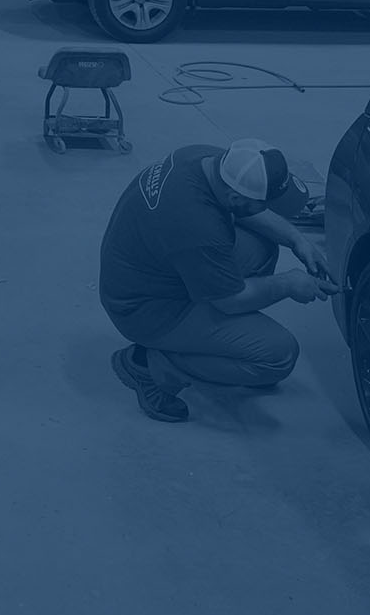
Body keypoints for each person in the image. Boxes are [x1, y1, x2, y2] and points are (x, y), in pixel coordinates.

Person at [98, 137, 332, 423]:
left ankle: (209, 337)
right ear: (235, 199)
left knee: (263, 247)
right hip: (144, 310)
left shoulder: (206, 159)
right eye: (264, 203)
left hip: (151, 270)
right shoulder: (196, 226)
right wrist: (288, 284)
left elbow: (248, 212)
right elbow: (229, 302)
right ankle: (151, 365)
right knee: (278, 356)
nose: (267, 208)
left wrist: (297, 240)